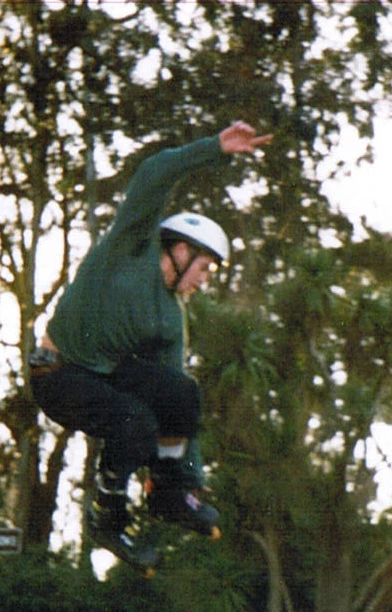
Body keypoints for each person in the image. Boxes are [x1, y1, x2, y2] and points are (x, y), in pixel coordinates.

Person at [31, 121, 272, 572]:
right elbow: (153, 174)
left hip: (104, 373)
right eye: (205, 267)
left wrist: (192, 478)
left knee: (179, 392)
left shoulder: (169, 315)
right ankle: (109, 519)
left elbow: (176, 402)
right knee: (134, 419)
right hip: (57, 374)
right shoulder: (130, 248)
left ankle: (168, 493)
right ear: (180, 250)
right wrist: (215, 148)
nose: (204, 280)